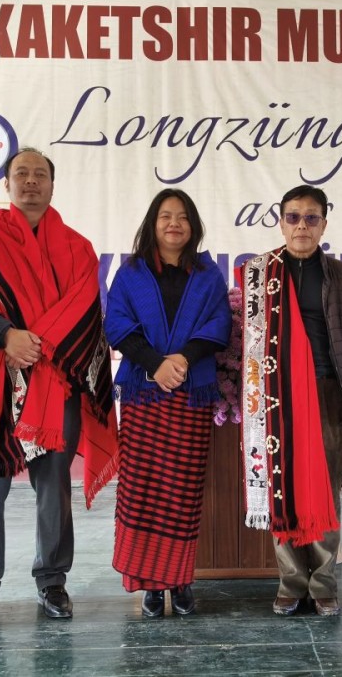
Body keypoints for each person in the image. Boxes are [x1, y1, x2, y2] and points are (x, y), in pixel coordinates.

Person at [0, 147, 117, 627]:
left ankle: (52, 580)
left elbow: (84, 309)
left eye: (39, 174)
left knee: (54, 489)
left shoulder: (77, 247)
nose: (30, 181)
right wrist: (7, 336)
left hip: (55, 382)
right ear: (6, 184)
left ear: (52, 184)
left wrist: (34, 345)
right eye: (21, 173)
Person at [240, 185, 342, 618]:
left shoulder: (341, 275)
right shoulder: (259, 274)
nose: (301, 226)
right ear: (281, 222)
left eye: (311, 218)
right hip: (275, 395)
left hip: (326, 391)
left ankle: (324, 583)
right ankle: (291, 582)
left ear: (323, 225)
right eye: (293, 217)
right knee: (282, 485)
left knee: (326, 488)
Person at [104, 189, 232, 618]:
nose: (174, 223)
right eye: (165, 216)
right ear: (152, 224)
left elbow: (219, 323)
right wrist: (155, 364)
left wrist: (181, 360)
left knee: (182, 491)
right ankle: (149, 585)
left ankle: (179, 580)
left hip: (190, 393)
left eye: (182, 216)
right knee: (141, 489)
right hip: (144, 393)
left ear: (193, 225)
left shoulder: (208, 274)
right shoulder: (131, 273)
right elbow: (116, 324)